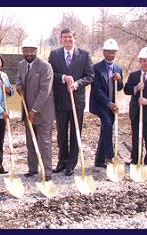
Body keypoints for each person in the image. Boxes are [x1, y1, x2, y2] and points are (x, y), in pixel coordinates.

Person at [48, 28, 94, 176]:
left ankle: (72, 163)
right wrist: (63, 78)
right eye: (64, 37)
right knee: (61, 133)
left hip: (77, 101)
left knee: (75, 132)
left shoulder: (85, 55)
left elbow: (90, 76)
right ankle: (62, 161)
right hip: (60, 100)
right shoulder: (54, 55)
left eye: (70, 37)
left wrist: (77, 84)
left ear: (74, 38)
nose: (67, 40)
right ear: (61, 39)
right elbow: (50, 75)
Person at [16, 39, 54, 181]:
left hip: (43, 112)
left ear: (36, 51)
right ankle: (32, 169)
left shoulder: (45, 66)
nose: (29, 53)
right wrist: (19, 85)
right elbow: (19, 78)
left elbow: (45, 90)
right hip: (27, 111)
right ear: (23, 51)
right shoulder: (22, 65)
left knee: (44, 142)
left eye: (31, 50)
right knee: (30, 141)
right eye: (26, 50)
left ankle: (47, 172)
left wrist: (34, 110)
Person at [89, 38, 124, 168]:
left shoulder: (118, 68)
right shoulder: (96, 68)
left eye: (113, 52)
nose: (111, 55)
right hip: (99, 104)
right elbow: (97, 90)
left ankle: (99, 160)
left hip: (111, 106)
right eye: (108, 52)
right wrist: (109, 104)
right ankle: (110, 157)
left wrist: (119, 80)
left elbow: (120, 88)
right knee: (108, 124)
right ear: (103, 52)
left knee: (106, 129)